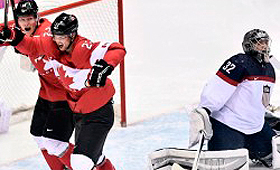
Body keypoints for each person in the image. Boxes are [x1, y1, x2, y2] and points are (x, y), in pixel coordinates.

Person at [0, 12, 126, 170]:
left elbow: (117, 48)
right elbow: (30, 45)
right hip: (79, 113)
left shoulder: (83, 49)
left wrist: (104, 67)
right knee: (93, 157)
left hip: (98, 113)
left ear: (72, 35)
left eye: (62, 36)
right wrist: (13, 36)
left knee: (81, 163)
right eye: (55, 36)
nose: (57, 40)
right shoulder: (51, 44)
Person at [1, 1, 75, 169]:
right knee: (38, 136)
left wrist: (18, 41)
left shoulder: (47, 31)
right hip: (46, 94)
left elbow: (38, 43)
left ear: (37, 17)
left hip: (65, 96)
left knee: (54, 143)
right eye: (22, 20)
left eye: (29, 19)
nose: (26, 24)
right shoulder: (22, 31)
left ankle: (82, 167)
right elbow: (11, 36)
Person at [189, 29, 276, 167]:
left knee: (275, 156)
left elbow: (262, 96)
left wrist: (265, 110)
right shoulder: (239, 62)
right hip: (228, 124)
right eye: (259, 43)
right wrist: (205, 109)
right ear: (249, 45)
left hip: (255, 126)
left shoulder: (269, 69)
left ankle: (251, 149)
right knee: (226, 163)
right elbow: (219, 87)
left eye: (265, 42)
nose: (264, 46)